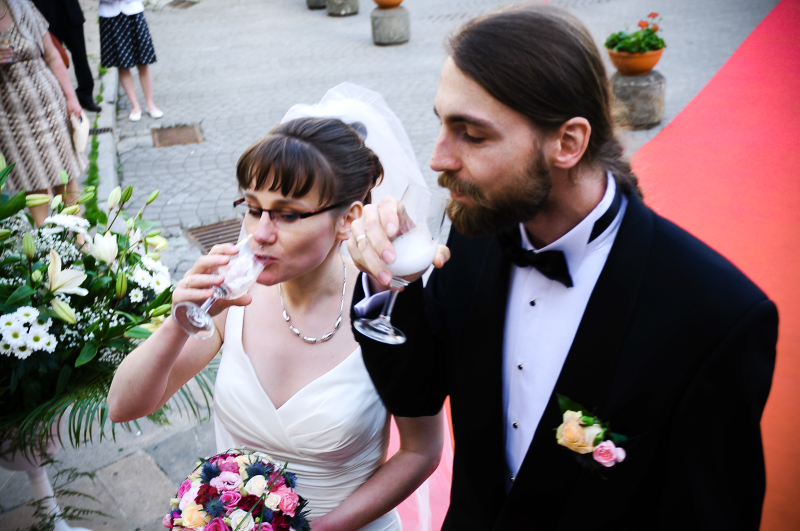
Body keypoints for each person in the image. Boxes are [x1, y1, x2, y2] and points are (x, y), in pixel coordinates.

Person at [348, 5, 777, 530]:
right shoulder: (475, 235)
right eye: (442, 122)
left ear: (568, 143)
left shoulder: (716, 317)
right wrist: (387, 283)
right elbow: (414, 392)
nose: (438, 158)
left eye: (472, 134)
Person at [107, 99, 445, 530]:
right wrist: (178, 322)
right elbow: (124, 407)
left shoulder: (383, 305)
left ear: (347, 220)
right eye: (253, 208)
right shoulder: (234, 297)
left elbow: (421, 451)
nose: (260, 233)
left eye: (287, 214)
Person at [0, 0, 86, 226]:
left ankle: (79, 236)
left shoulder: (23, 6)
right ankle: (45, 239)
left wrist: (71, 97)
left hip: (49, 104)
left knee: (65, 175)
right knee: (32, 180)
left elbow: (52, 55)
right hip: (9, 117)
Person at [32, 0, 101, 113]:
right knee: (52, 61)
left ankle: (85, 96)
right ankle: (58, 98)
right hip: (45, 15)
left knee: (80, 56)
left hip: (69, 11)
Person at [98, 0, 161, 121]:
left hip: (133, 11)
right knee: (123, 65)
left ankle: (150, 104)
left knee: (143, 62)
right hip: (110, 15)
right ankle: (135, 106)